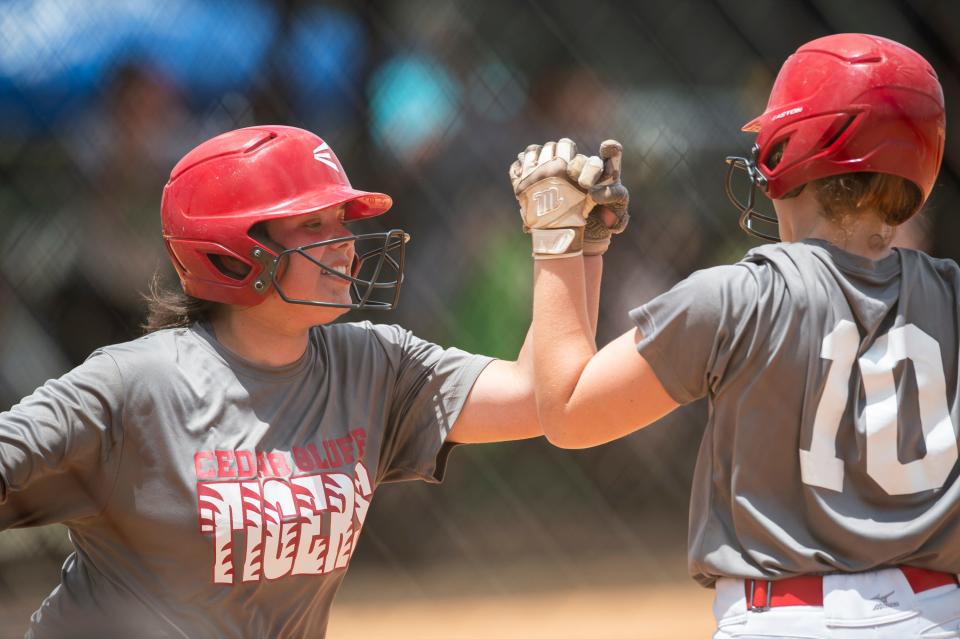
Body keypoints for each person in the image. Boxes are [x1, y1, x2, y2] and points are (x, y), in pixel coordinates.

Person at [0, 125, 626, 638]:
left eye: (341, 223)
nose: (347, 246)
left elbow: (542, 400)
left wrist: (569, 243)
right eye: (314, 227)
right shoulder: (135, 385)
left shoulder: (372, 366)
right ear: (233, 252)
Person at [520, 34, 960, 637]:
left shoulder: (737, 296)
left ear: (788, 154)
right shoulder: (954, 299)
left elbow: (569, 413)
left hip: (783, 618)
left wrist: (562, 242)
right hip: (938, 617)